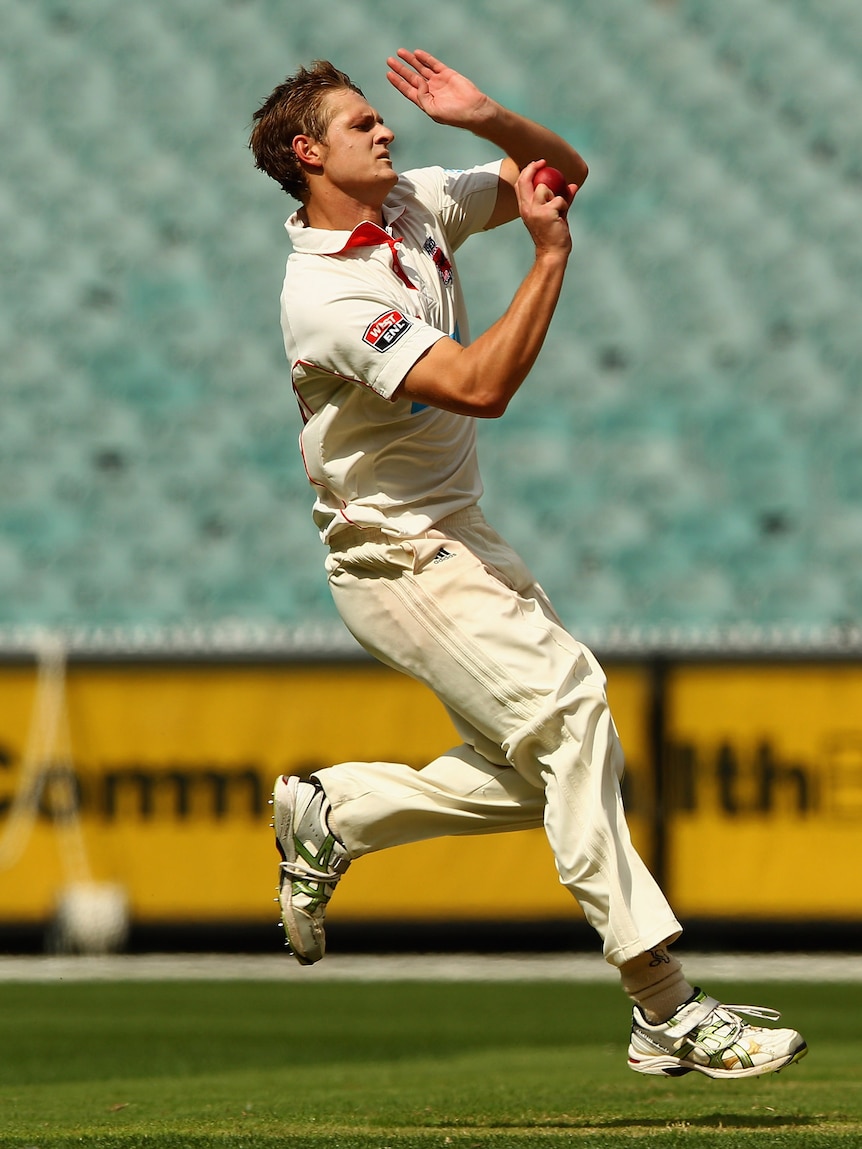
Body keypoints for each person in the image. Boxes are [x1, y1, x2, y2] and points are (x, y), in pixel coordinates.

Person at [248, 48, 807, 1079]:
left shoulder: (412, 205)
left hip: (458, 538)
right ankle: (663, 1007)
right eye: (360, 123)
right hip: (395, 556)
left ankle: (339, 811)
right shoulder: (323, 296)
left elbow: (560, 173)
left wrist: (490, 117)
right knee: (570, 712)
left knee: (535, 772)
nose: (386, 131)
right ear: (305, 150)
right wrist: (548, 261)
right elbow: (476, 384)